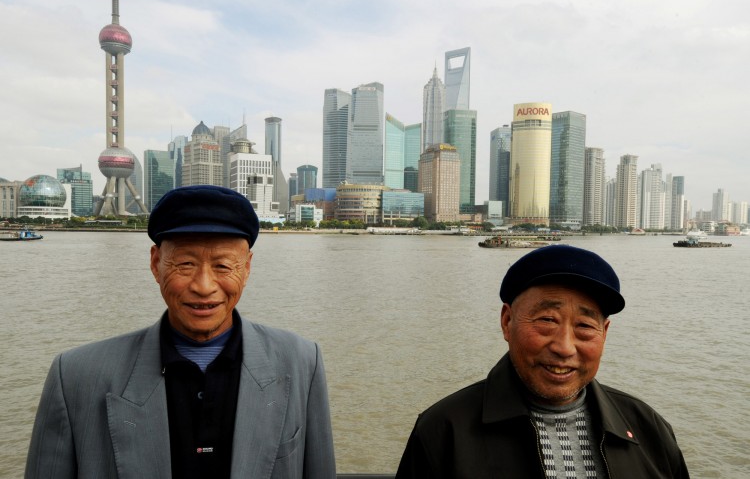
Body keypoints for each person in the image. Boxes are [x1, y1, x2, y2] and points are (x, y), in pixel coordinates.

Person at [26, 185, 336, 479]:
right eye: (185, 264)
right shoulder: (77, 377)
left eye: (223, 266)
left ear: (247, 268)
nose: (203, 286)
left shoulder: (301, 363)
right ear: (156, 263)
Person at [396, 244, 689, 478]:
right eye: (547, 319)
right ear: (507, 321)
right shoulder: (443, 431)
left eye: (585, 326)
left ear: (605, 332)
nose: (564, 347)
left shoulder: (647, 429)